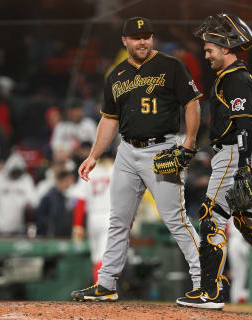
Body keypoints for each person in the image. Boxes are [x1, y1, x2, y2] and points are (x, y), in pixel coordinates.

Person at [71, 16, 202, 302]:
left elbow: (192, 102)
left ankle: (203, 280)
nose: (143, 41)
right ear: (125, 41)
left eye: (147, 36)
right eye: (136, 37)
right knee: (118, 219)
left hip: (163, 149)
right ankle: (106, 283)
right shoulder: (116, 75)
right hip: (127, 151)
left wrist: (189, 142)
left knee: (175, 218)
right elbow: (109, 119)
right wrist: (94, 155)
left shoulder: (171, 66)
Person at [175, 14, 252, 315]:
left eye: (209, 50)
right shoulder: (233, 77)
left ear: (226, 46)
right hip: (239, 153)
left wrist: (242, 165)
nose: (205, 56)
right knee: (251, 225)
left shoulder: (235, 78)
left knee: (211, 217)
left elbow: (244, 125)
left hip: (235, 153)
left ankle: (210, 291)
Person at [71, 152, 114, 283]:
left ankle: (99, 286)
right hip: (109, 216)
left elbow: (80, 201)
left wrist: (77, 224)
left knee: (96, 257)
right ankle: (102, 288)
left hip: (92, 218)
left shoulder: (88, 170)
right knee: (104, 257)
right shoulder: (115, 169)